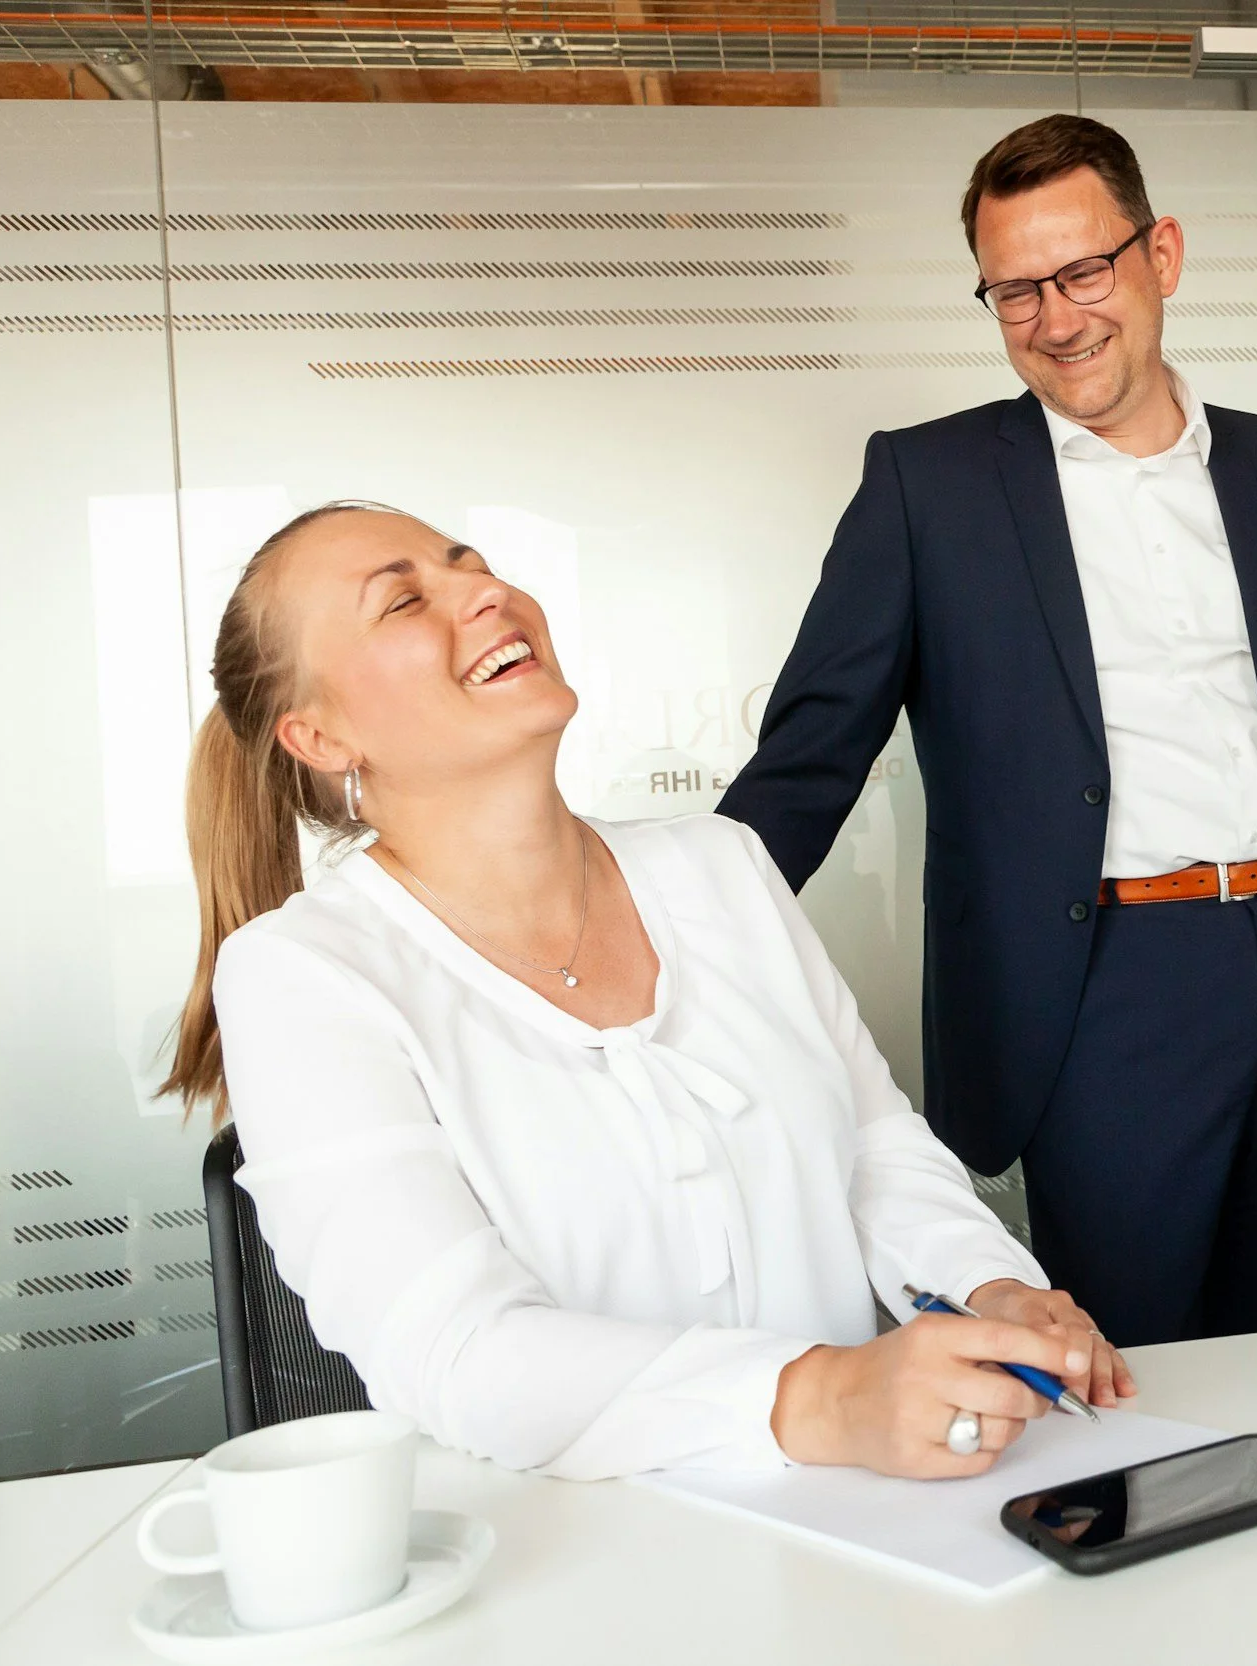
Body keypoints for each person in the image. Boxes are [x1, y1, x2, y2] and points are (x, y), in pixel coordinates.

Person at [160, 501, 1129, 1481]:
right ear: (319, 736)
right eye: (407, 600)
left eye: (473, 563)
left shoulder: (720, 866)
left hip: (856, 1514)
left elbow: (875, 1150)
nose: (485, 591)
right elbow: (450, 1350)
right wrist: (818, 1396)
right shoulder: (303, 972)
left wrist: (992, 1286)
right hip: (560, 1563)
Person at [723, 115, 1257, 1346]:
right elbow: (809, 755)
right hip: (1102, 990)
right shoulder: (930, 486)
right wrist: (673, 940)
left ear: (1160, 254)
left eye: (1082, 273)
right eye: (1014, 291)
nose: (1056, 320)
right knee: (1132, 1367)